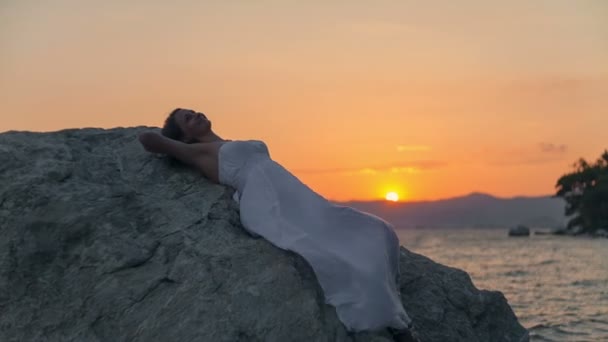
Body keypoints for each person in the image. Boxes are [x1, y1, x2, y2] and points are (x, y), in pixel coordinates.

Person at [138, 108, 418, 342]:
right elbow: (148, 139)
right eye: (187, 118)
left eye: (193, 110)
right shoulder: (199, 152)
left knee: (378, 230)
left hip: (295, 196)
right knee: (331, 257)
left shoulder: (222, 143)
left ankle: (394, 312)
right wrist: (174, 145)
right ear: (185, 136)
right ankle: (393, 324)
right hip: (269, 202)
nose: (196, 114)